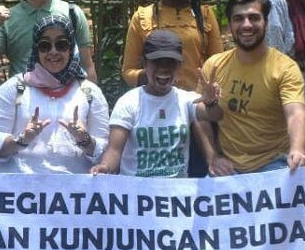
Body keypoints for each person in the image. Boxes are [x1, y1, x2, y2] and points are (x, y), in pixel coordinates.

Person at [199, 0, 305, 176]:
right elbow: (199, 116)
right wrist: (213, 158)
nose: (246, 25)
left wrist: (297, 150)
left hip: (275, 163)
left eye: (254, 18)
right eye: (238, 19)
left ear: (266, 22)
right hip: (228, 167)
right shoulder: (214, 66)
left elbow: (295, 113)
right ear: (230, 25)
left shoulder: (285, 68)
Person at [0, 15, 109, 174]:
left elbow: (105, 152)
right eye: (45, 45)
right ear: (36, 49)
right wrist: (21, 140)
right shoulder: (13, 89)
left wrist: (84, 140)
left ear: (71, 47)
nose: (53, 51)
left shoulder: (90, 93)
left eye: (61, 45)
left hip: (73, 186)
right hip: (20, 184)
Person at [93, 30, 222, 177]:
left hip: (177, 189)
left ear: (179, 66)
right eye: (157, 62)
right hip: (137, 189)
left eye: (170, 63)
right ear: (144, 64)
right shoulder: (128, 102)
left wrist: (211, 101)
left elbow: (214, 114)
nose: (163, 69)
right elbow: (114, 150)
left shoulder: (186, 100)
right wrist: (105, 167)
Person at [121, 0, 223, 92]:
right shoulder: (143, 16)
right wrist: (156, 74)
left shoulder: (205, 15)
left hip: (195, 99)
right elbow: (128, 71)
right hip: (157, 99)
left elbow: (218, 65)